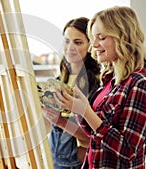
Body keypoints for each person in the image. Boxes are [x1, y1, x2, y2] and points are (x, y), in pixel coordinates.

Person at [55, 6, 146, 168]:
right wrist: (69, 113)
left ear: (123, 38)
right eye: (93, 37)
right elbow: (94, 135)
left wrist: (85, 111)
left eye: (101, 38)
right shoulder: (110, 81)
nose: (93, 45)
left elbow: (128, 152)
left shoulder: (140, 83)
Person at [42, 17, 101, 169]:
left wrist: (61, 121)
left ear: (91, 45)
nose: (70, 47)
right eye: (67, 41)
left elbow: (95, 137)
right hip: (54, 160)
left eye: (78, 42)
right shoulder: (58, 80)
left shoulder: (97, 84)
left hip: (77, 164)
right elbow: (50, 125)